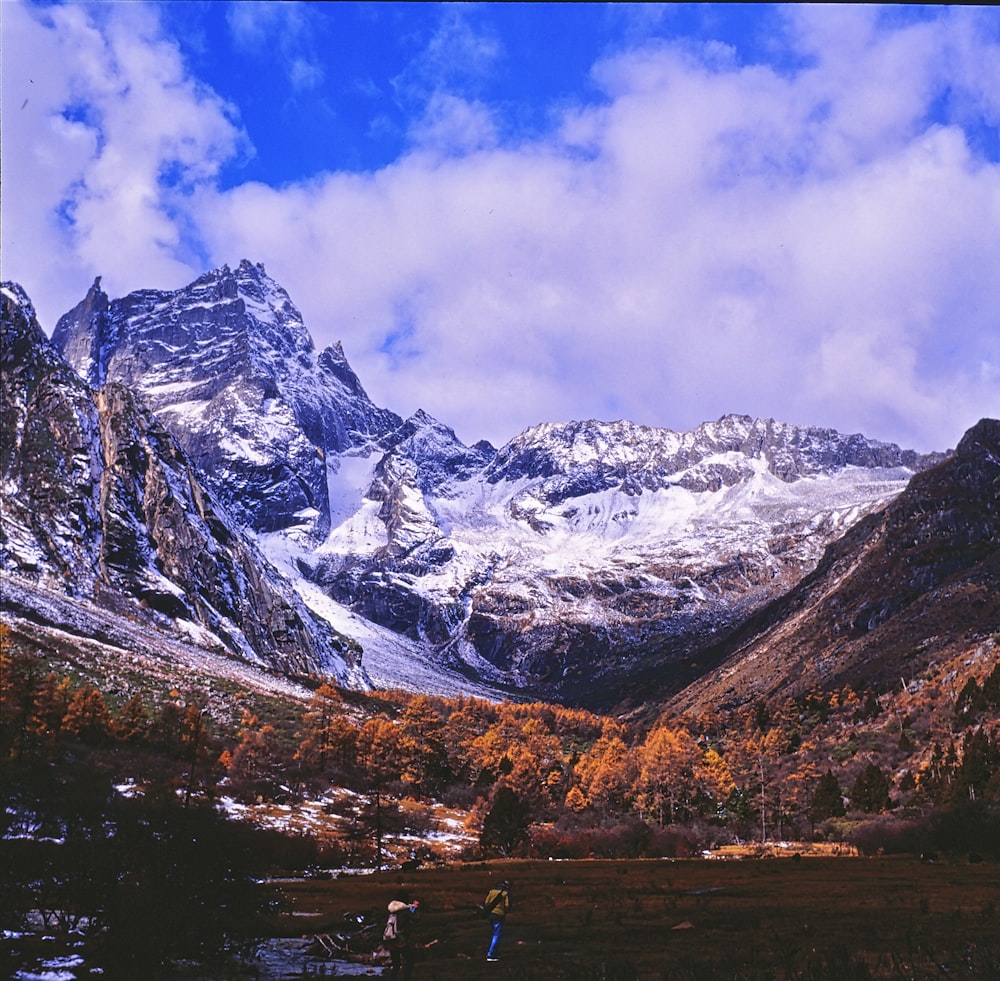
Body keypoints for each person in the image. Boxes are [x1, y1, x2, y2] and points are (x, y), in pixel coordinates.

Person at [383, 892, 420, 980]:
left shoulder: (392, 911)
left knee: (396, 965)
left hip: (390, 941)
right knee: (410, 961)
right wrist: (415, 908)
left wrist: (412, 907)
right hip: (400, 941)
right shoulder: (404, 912)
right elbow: (414, 918)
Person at [483, 879, 510, 962]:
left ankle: (495, 952)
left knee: (494, 934)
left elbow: (486, 902)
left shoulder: (492, 891)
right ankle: (492, 954)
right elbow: (507, 905)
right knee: (496, 935)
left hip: (491, 914)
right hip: (499, 915)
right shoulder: (506, 893)